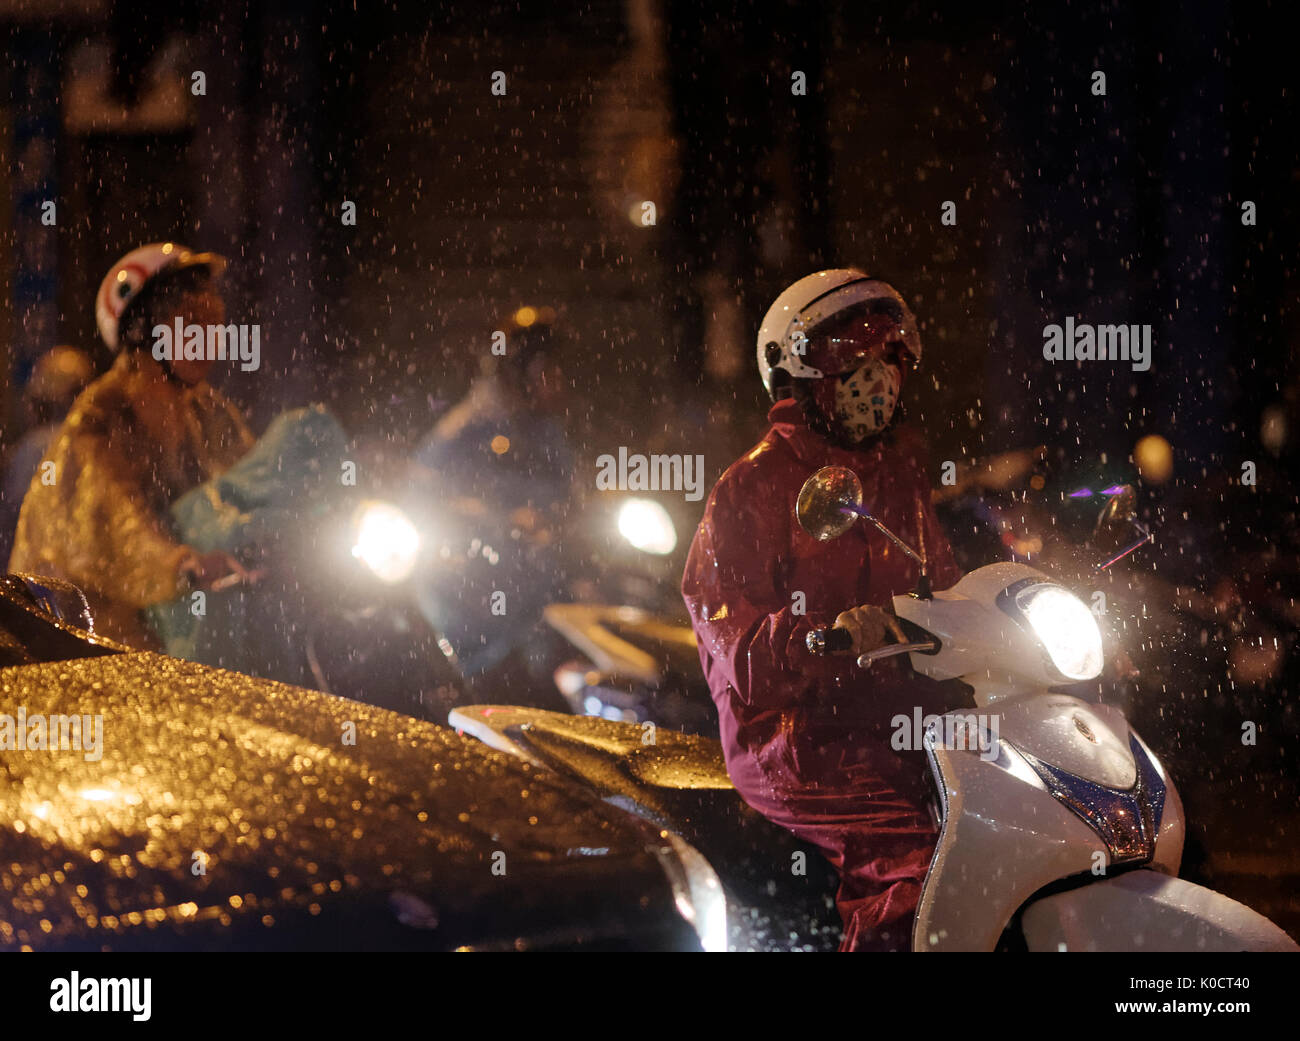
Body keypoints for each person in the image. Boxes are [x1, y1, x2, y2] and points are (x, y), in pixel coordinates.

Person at [681, 268, 963, 951]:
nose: (878, 382)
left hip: (899, 719)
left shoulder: (897, 475)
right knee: (918, 865)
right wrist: (815, 639)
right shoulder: (751, 484)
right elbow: (730, 630)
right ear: (803, 379)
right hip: (798, 734)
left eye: (887, 362)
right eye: (854, 365)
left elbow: (948, 587)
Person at [8, 243, 254, 647]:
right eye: (193, 324)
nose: (212, 340)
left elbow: (251, 472)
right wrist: (181, 562)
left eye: (216, 324)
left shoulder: (208, 410)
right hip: (89, 638)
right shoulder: (100, 417)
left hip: (175, 623)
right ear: (145, 330)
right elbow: (116, 524)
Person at [409, 306, 574, 680]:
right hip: (474, 609)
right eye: (545, 367)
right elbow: (422, 502)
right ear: (518, 370)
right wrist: (499, 520)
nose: (557, 378)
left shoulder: (545, 431)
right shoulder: (465, 431)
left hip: (538, 601)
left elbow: (567, 495)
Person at [0, 346, 96, 562]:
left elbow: (16, 512)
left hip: (36, 570)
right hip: (78, 569)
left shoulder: (37, 447)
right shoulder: (91, 443)